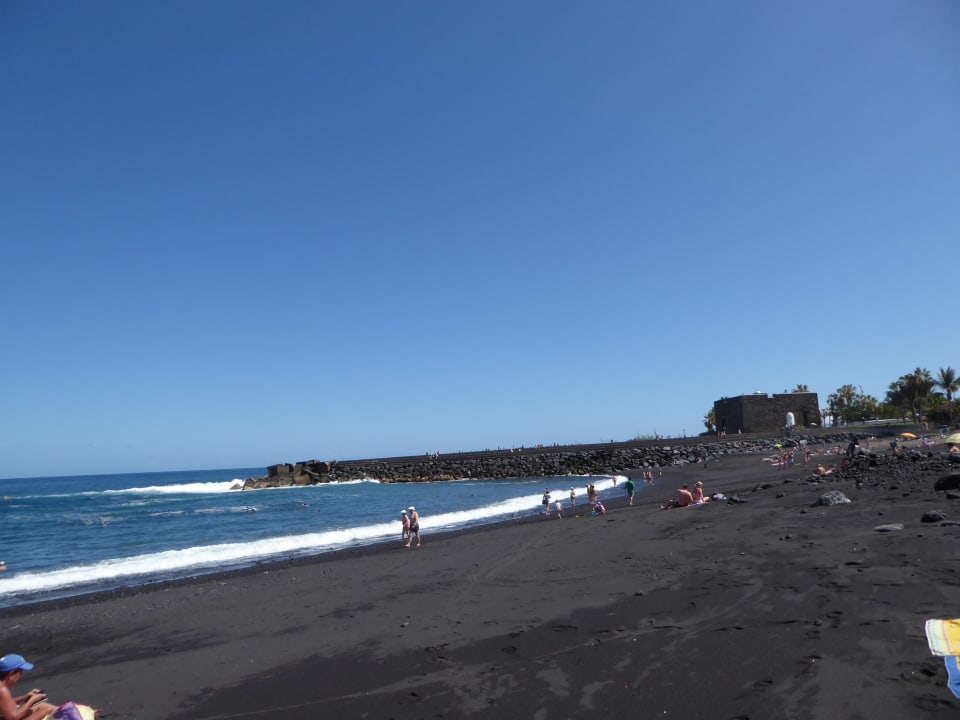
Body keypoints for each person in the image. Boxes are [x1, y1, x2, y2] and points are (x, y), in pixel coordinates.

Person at [0, 654, 58, 720]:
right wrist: (31, 700)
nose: (20, 677)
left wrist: (23, 697)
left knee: (42, 706)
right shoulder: (2, 690)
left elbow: (5, 703)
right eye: (20, 673)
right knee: (47, 710)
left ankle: (66, 711)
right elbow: (13, 718)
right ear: (11, 673)